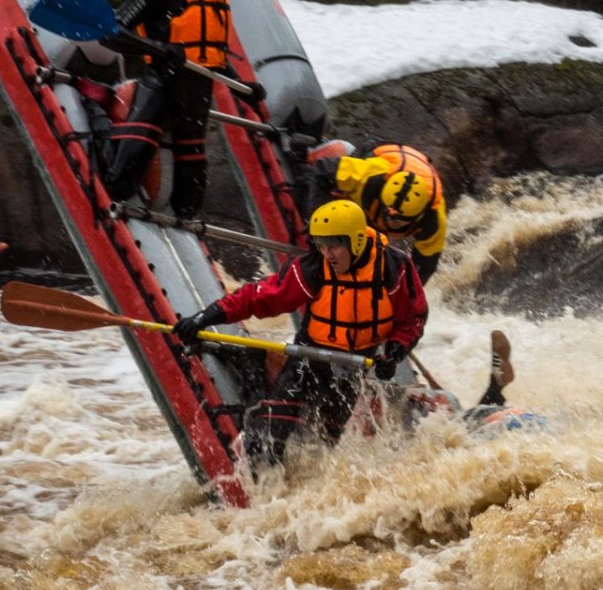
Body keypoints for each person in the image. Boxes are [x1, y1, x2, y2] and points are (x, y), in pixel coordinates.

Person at [173, 199, 427, 478]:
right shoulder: (315, 266)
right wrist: (206, 317)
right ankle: (262, 490)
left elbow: (412, 318)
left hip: (351, 368)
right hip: (308, 358)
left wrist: (395, 352)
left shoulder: (393, 268)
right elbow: (262, 296)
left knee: (324, 447)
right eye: (322, 245)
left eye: (334, 246)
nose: (327, 253)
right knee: (269, 435)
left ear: (355, 241)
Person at [102, 0, 265, 218]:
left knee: (189, 204)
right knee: (120, 182)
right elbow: (111, 33)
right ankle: (101, 132)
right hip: (161, 91)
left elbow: (212, 56)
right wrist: (160, 48)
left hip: (195, 101)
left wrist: (243, 88)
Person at [305, 141, 447, 283]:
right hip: (377, 160)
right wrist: (317, 222)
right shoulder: (370, 176)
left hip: (403, 179)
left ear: (416, 218)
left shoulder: (433, 223)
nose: (391, 221)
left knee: (371, 246)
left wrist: (402, 293)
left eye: (398, 219)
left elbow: (425, 266)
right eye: (388, 213)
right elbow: (322, 170)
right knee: (340, 213)